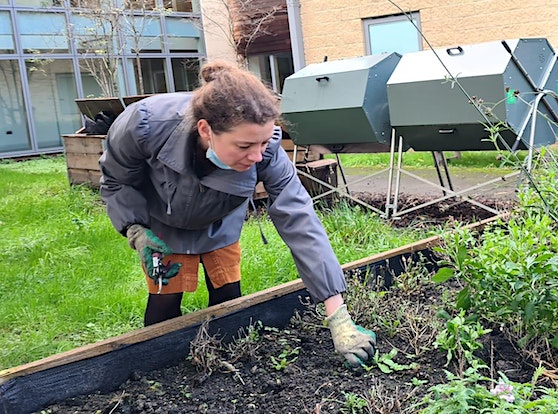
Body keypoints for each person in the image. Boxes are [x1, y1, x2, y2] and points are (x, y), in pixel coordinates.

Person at [99, 60, 375, 366]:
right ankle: (153, 366)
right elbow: (116, 179)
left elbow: (299, 218)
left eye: (264, 142)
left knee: (228, 298)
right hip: (161, 227)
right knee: (165, 301)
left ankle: (224, 362)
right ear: (205, 130)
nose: (257, 155)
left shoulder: (265, 151)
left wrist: (338, 314)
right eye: (244, 145)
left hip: (221, 222)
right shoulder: (146, 124)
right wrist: (135, 229)